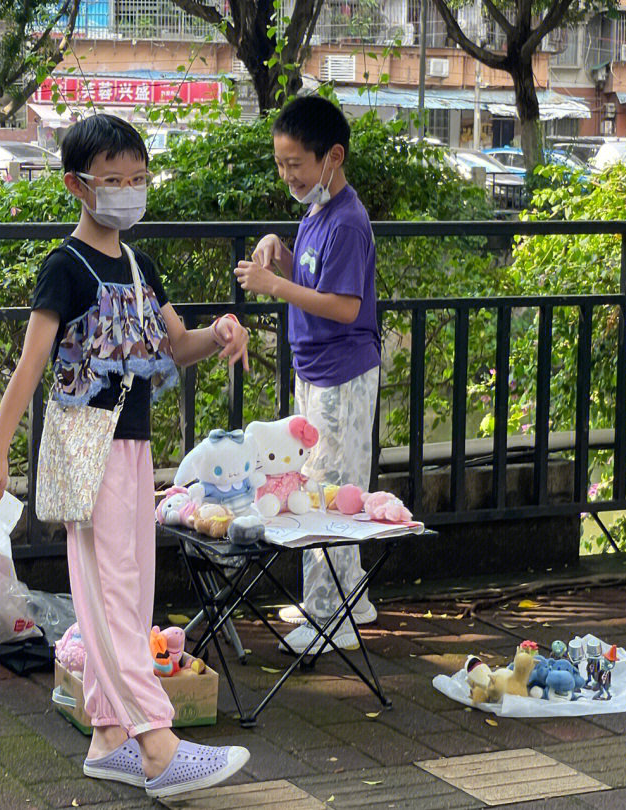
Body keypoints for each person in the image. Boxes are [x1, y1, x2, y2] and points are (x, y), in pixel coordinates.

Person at [0, 114, 251, 798]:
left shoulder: (140, 266)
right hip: (80, 443)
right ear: (78, 185)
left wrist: (217, 333)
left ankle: (108, 737)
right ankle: (158, 744)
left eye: (138, 179)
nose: (128, 191)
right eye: (114, 180)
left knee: (128, 591)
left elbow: (173, 346)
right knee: (114, 595)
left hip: (130, 447)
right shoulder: (64, 268)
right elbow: (31, 364)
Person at [234, 95, 380, 655]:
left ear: (332, 157)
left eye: (296, 163)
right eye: (281, 164)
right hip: (318, 371)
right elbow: (315, 282)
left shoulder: (348, 221)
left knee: (325, 494)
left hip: (340, 375)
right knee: (323, 485)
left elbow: (344, 306)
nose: (288, 174)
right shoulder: (318, 214)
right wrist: (283, 252)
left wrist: (275, 287)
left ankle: (330, 617)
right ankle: (350, 598)